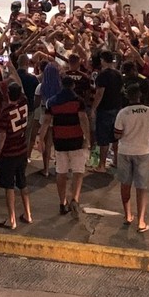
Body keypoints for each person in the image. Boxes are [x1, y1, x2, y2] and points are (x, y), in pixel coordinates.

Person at [39, 76, 91, 215]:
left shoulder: (52, 102)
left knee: (61, 172)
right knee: (78, 172)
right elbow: (83, 120)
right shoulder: (78, 101)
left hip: (60, 141)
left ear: (61, 85)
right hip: (76, 140)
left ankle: (62, 202)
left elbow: (46, 122)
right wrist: (88, 138)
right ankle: (75, 198)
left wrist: (40, 140)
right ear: (73, 86)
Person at [113, 83, 149, 232]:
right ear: (140, 95)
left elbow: (117, 134)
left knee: (125, 185)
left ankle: (127, 215)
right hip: (142, 151)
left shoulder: (123, 113)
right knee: (141, 187)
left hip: (125, 151)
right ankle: (141, 221)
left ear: (127, 96)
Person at [0, 82, 32, 230]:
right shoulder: (24, 103)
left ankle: (11, 219)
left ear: (8, 94)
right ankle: (28, 214)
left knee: (9, 186)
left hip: (9, 153)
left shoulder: (5, 112)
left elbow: (2, 135)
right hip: (22, 150)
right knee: (22, 182)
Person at [91, 50, 123, 172]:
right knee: (115, 136)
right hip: (116, 107)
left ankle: (102, 165)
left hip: (105, 109)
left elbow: (99, 93)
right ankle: (115, 160)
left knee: (103, 138)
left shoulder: (102, 75)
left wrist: (93, 109)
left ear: (103, 60)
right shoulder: (118, 74)